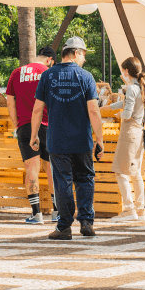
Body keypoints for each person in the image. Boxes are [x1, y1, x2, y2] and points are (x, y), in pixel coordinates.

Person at [31, 37, 103, 240]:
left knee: (62, 180)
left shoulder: (47, 76)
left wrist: (34, 134)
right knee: (85, 178)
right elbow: (94, 111)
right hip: (81, 139)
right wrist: (100, 139)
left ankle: (64, 227)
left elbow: (37, 109)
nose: (84, 60)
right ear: (77, 53)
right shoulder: (85, 76)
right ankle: (87, 222)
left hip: (57, 140)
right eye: (84, 55)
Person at [6, 46, 57, 224]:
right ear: (49, 60)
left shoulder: (16, 73)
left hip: (26, 126)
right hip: (48, 125)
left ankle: (36, 214)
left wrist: (17, 124)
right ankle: (56, 212)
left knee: (31, 170)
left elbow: (10, 102)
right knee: (52, 168)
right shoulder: (49, 73)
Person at [108, 57, 145, 222]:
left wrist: (119, 115)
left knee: (120, 171)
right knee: (136, 174)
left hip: (129, 134)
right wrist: (105, 108)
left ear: (126, 71)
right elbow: (126, 104)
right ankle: (140, 211)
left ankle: (128, 209)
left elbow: (126, 113)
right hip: (139, 133)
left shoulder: (131, 89)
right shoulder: (142, 87)